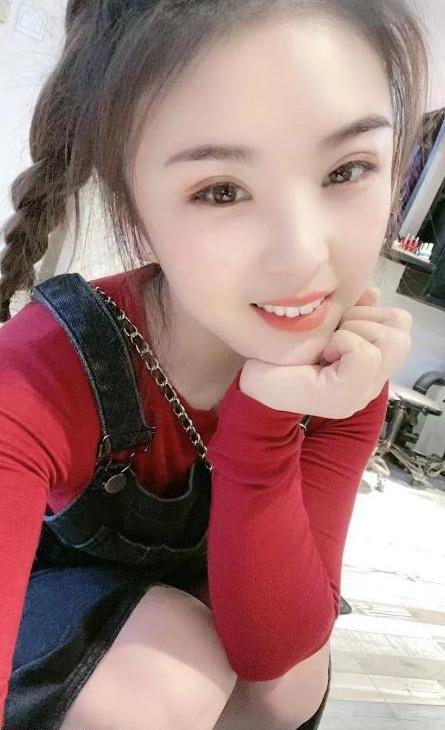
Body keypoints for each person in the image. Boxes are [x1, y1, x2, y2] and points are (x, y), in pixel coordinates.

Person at [0, 1, 428, 728]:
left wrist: (265, 420)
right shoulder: (37, 375)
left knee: (292, 676)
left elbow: (275, 652)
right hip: (57, 633)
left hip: (224, 607)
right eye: (221, 191)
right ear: (133, 206)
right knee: (169, 666)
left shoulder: (345, 370)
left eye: (346, 169)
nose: (303, 256)